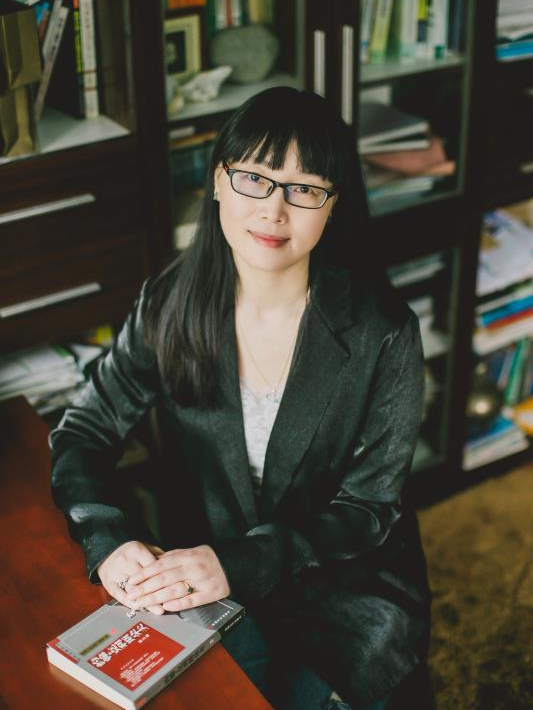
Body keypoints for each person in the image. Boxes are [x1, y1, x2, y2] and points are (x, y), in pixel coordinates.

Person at [50, 86, 432, 710]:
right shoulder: (169, 303)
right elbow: (84, 430)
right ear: (218, 182)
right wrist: (107, 538)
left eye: (304, 189)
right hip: (206, 575)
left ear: (333, 205)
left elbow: (369, 507)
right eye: (254, 178)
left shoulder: (384, 331)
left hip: (343, 584)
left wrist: (243, 561)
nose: (273, 211)